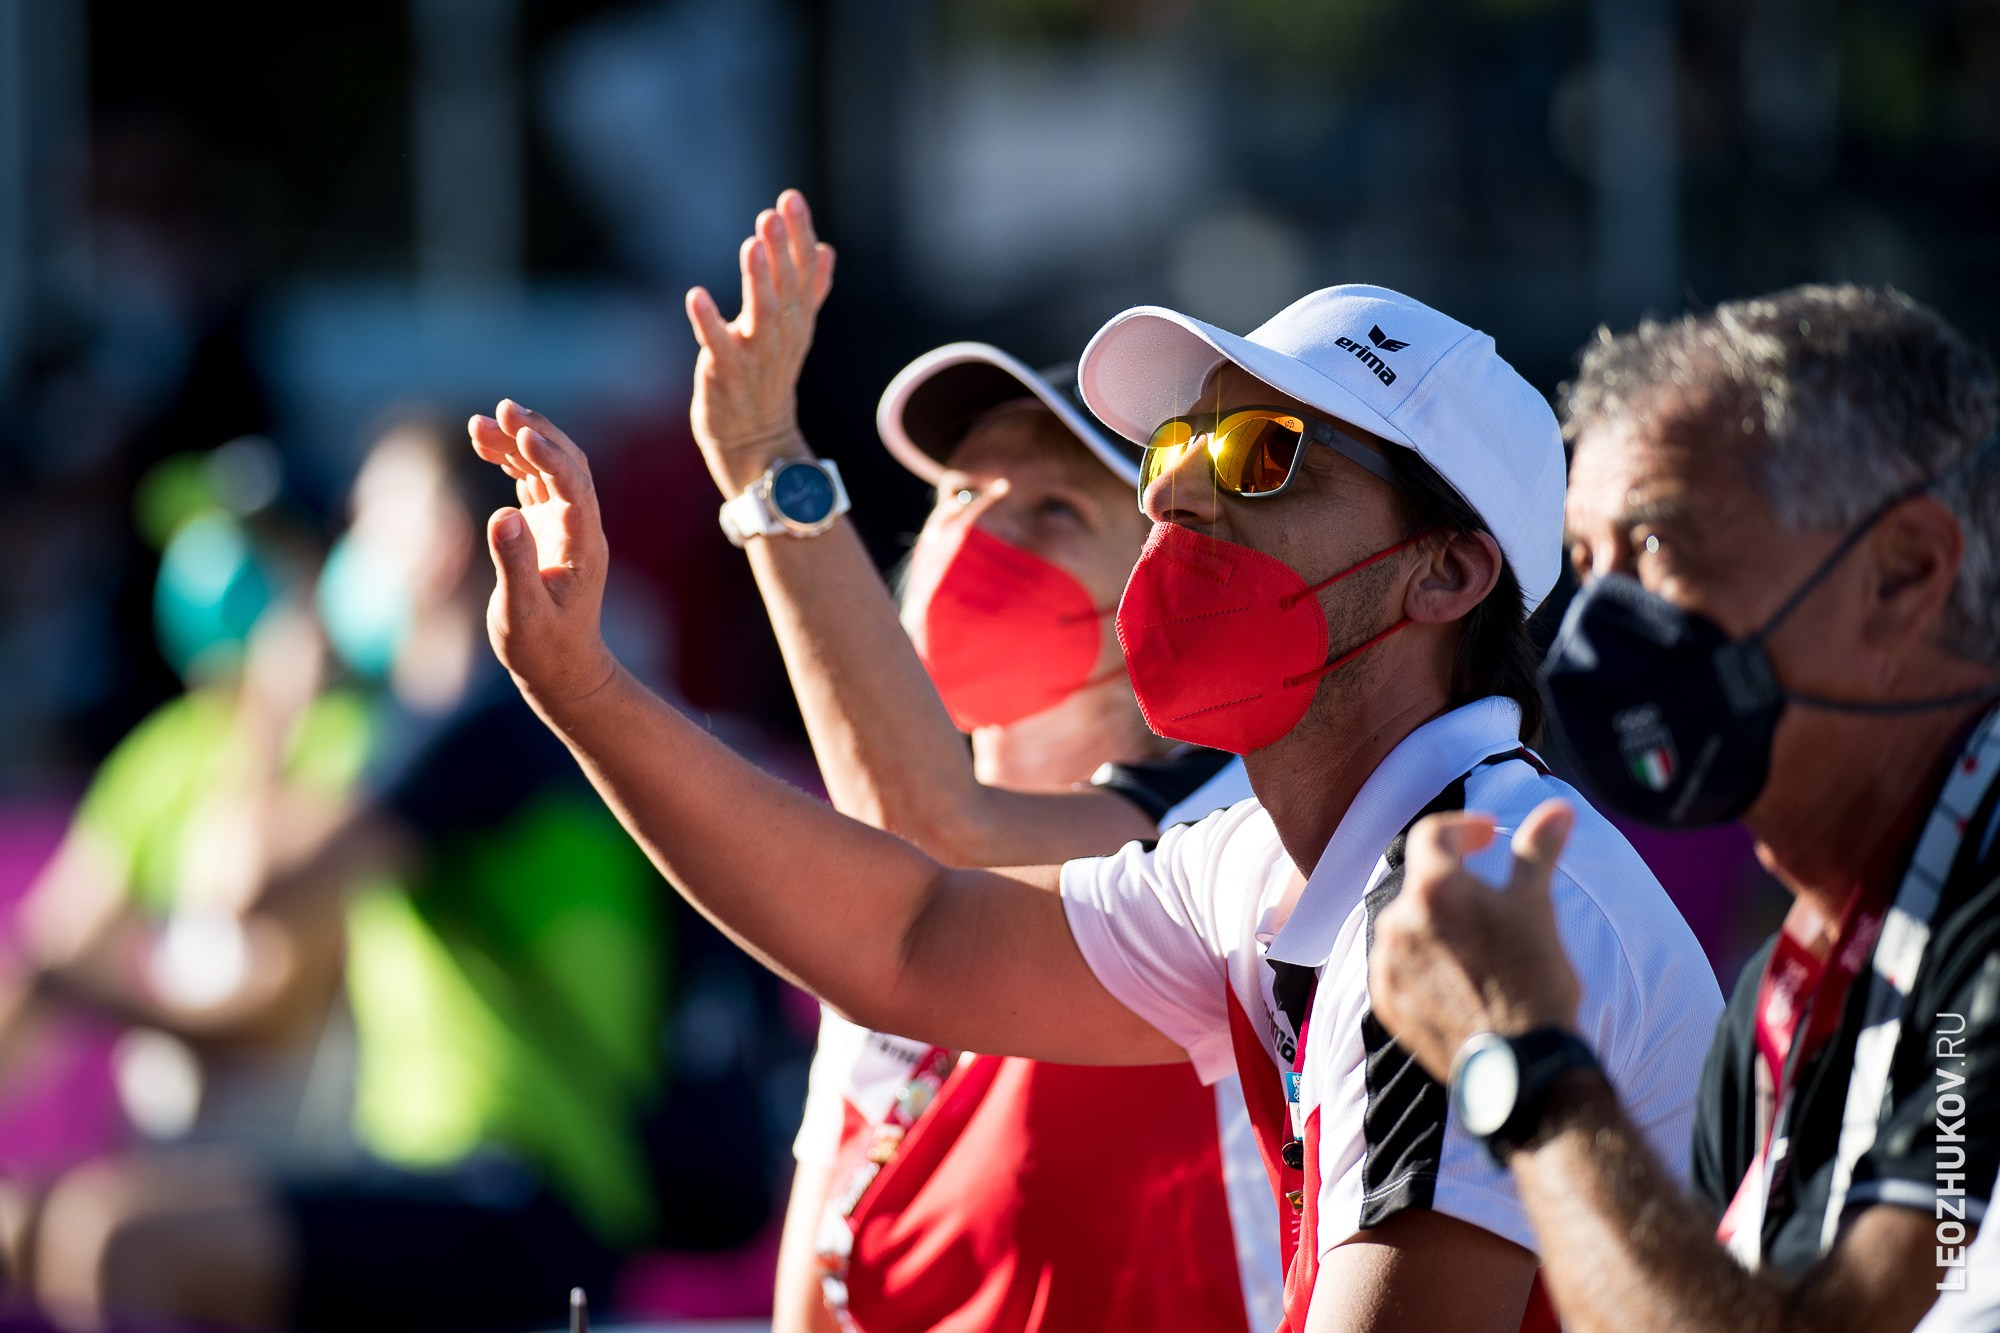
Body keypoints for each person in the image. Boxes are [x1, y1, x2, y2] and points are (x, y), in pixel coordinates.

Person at [469, 223, 1721, 1331]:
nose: (1179, 493)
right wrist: (582, 690)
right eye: (1176, 448)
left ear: (1444, 575)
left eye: (1262, 454)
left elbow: (926, 857)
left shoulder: (1468, 892)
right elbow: (906, 938)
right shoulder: (1263, 864)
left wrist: (757, 473)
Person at [672, 191, 1274, 1333]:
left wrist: (764, 462)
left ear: (1168, 598)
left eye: (1051, 507)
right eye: (957, 491)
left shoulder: (1230, 827)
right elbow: (818, 1298)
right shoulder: (880, 867)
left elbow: (935, 828)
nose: (976, 532)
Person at [1366, 284, 2000, 1333]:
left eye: (1657, 544)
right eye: (1584, 564)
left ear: (1901, 574)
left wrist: (1519, 1058)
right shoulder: (1778, 997)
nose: (1598, 630)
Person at [22, 420, 680, 1333]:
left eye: (372, 518)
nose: (345, 551)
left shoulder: (492, 721)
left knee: (122, 1241)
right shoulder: (431, 721)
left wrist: (277, 706)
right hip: (427, 1171)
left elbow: (250, 885)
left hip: (521, 1193)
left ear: (443, 548)